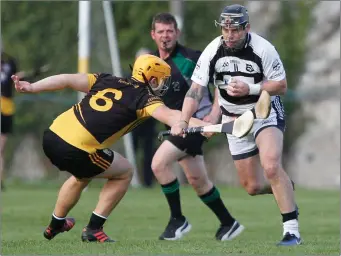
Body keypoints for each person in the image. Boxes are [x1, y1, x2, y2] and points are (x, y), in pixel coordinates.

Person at [11, 54, 216, 243]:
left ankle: (55, 225)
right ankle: (93, 228)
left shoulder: (107, 79)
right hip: (76, 148)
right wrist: (205, 126)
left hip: (52, 135)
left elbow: (67, 79)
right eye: (162, 80)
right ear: (152, 80)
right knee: (124, 171)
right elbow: (174, 117)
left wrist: (32, 87)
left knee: (83, 175)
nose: (163, 85)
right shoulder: (145, 99)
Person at [171, 4, 301, 246]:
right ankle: (286, 189)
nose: (229, 35)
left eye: (235, 30)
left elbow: (281, 85)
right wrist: (183, 120)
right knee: (252, 187)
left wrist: (251, 88)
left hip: (264, 111)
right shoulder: (213, 50)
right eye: (225, 29)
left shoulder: (263, 49)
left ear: (247, 28)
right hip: (233, 119)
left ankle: (291, 231)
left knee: (271, 166)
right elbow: (196, 90)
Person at [150, 12, 244, 241]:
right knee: (198, 181)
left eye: (169, 31)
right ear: (153, 35)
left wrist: (214, 116)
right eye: (161, 32)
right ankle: (228, 223)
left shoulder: (193, 57)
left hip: (198, 125)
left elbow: (223, 84)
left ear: (177, 33)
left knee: (159, 164)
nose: (165, 36)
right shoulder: (150, 64)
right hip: (178, 127)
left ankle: (177, 220)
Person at [131, 48, 157, 187]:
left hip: (148, 122)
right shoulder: (128, 78)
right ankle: (129, 180)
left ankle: (148, 183)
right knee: (131, 152)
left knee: (148, 153)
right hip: (132, 123)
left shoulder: (156, 78)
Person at [1, 50, 17, 191]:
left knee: (1, 150)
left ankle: (1, 180)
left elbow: (15, 76)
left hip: (6, 109)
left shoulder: (9, 64)